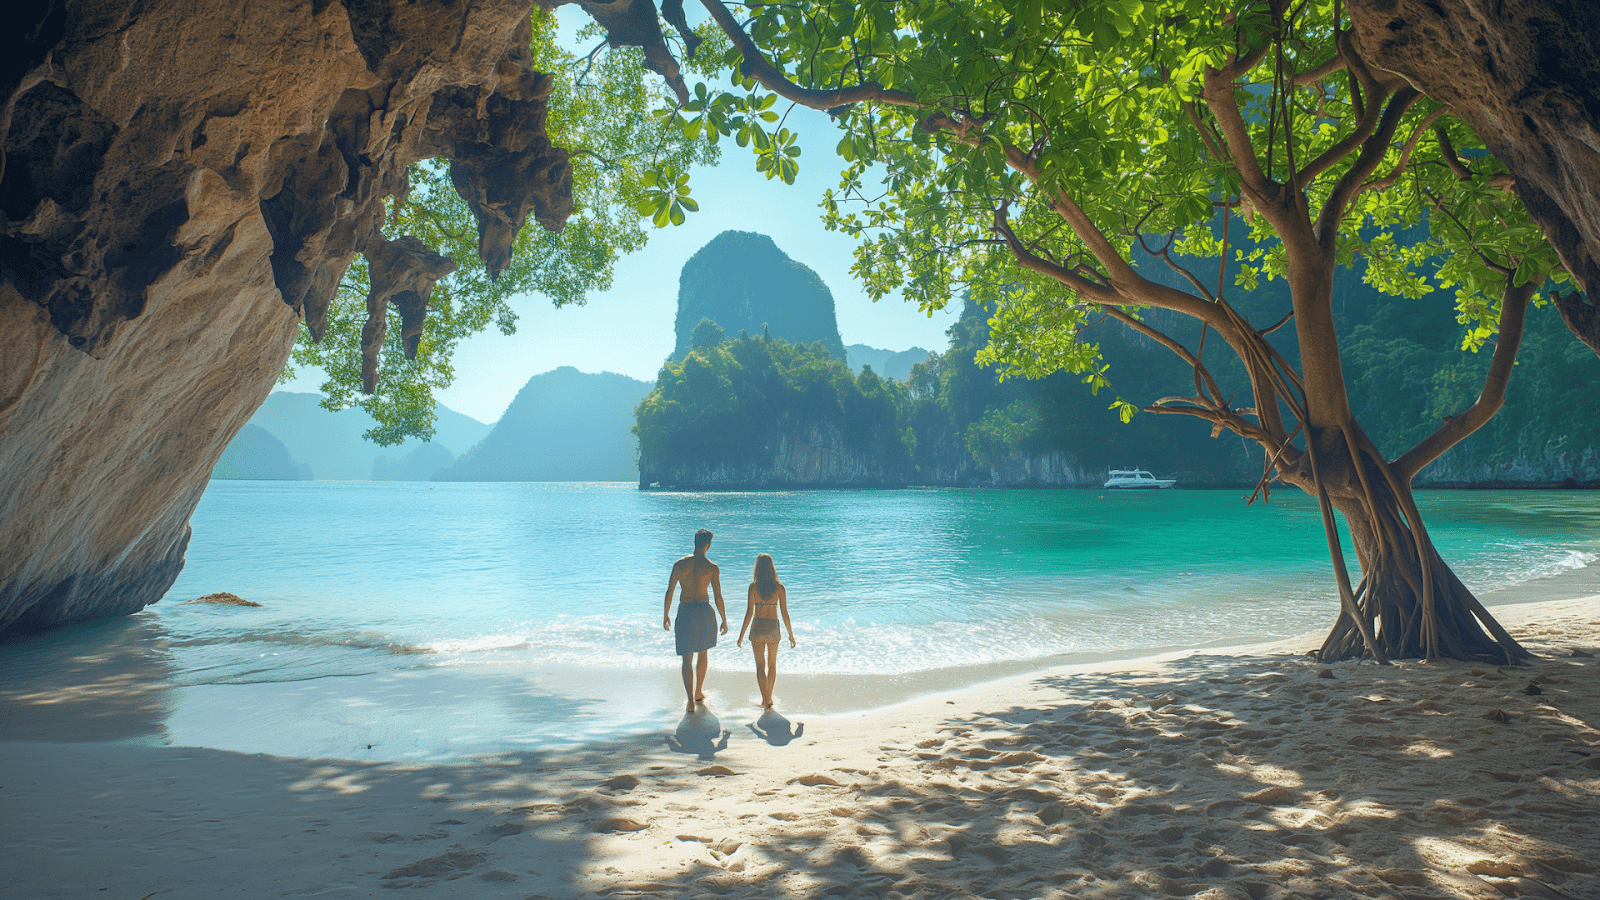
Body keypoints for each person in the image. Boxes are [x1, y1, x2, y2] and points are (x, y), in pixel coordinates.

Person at [663, 528, 727, 711]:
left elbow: (670, 591)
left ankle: (690, 700)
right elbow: (718, 597)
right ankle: (698, 691)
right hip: (703, 611)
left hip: (685, 611)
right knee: (703, 653)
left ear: (695, 542)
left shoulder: (680, 564)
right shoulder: (712, 568)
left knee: (686, 658)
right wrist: (724, 619)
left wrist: (665, 614)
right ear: (708, 545)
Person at [736, 553, 795, 709]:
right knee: (772, 665)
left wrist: (741, 636)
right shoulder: (780, 588)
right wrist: (791, 635)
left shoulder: (753, 587)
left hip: (757, 628)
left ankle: (765, 700)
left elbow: (749, 612)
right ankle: (769, 698)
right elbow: (784, 613)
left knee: (760, 666)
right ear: (772, 567)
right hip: (772, 627)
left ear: (757, 568)